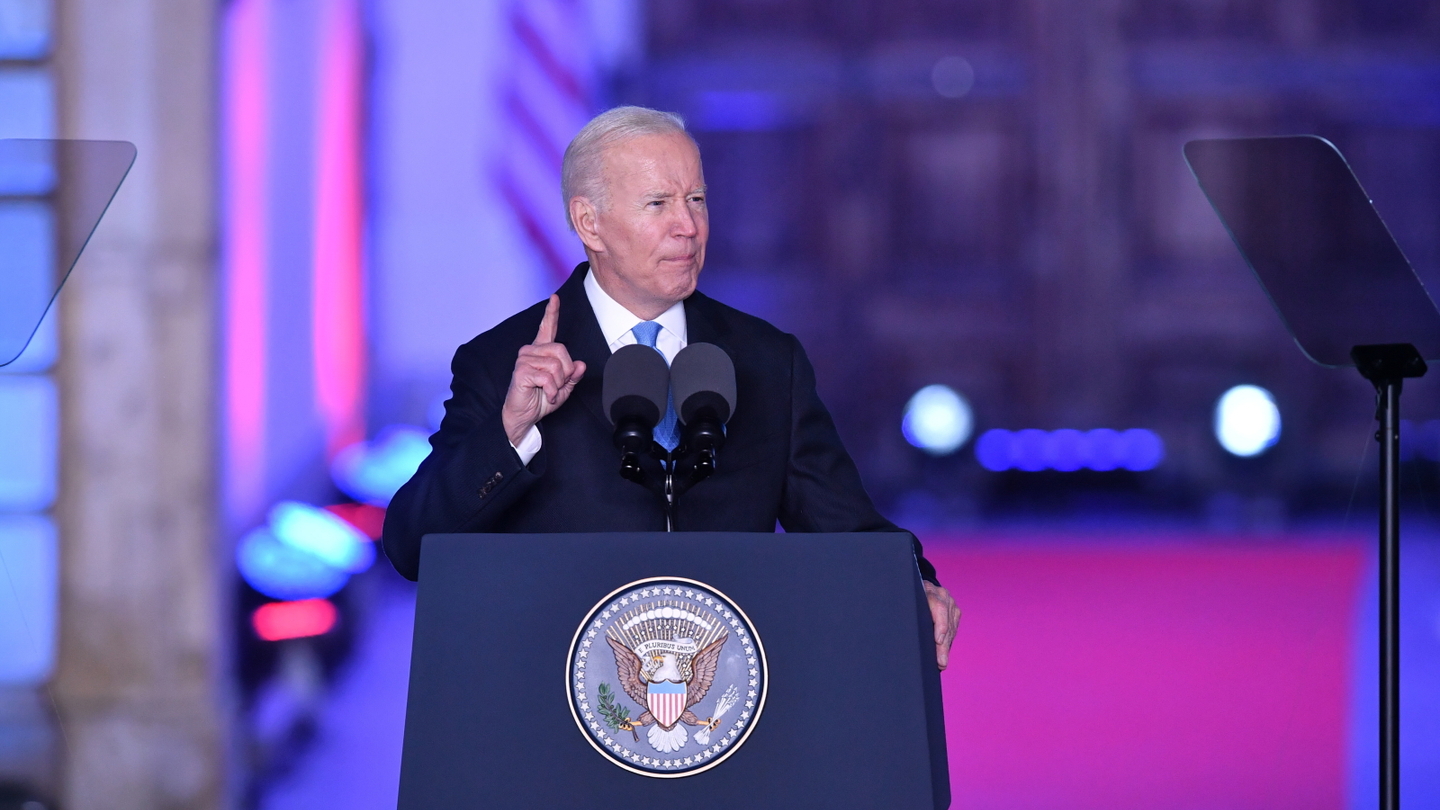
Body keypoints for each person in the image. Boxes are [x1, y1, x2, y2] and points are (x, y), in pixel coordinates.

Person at [382, 106, 960, 668]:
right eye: (658, 203)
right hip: (561, 696)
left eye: (696, 199)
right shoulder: (500, 363)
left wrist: (914, 580)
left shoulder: (766, 360)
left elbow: (847, 527)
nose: (688, 226)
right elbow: (413, 546)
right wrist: (511, 432)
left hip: (730, 693)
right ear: (589, 223)